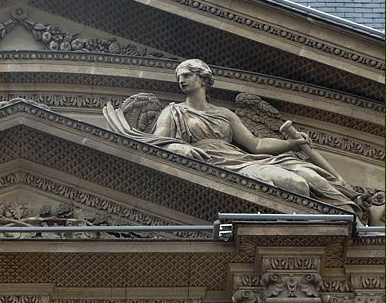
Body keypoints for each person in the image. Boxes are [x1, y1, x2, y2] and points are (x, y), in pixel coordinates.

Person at [107, 59, 360, 215]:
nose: (181, 80)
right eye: (179, 77)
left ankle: (351, 213)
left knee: (309, 174)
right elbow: (158, 143)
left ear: (202, 78)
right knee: (297, 185)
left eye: (187, 74)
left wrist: (291, 144)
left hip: (243, 160)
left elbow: (256, 144)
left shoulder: (225, 114)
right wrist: (180, 148)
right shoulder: (173, 111)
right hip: (218, 167)